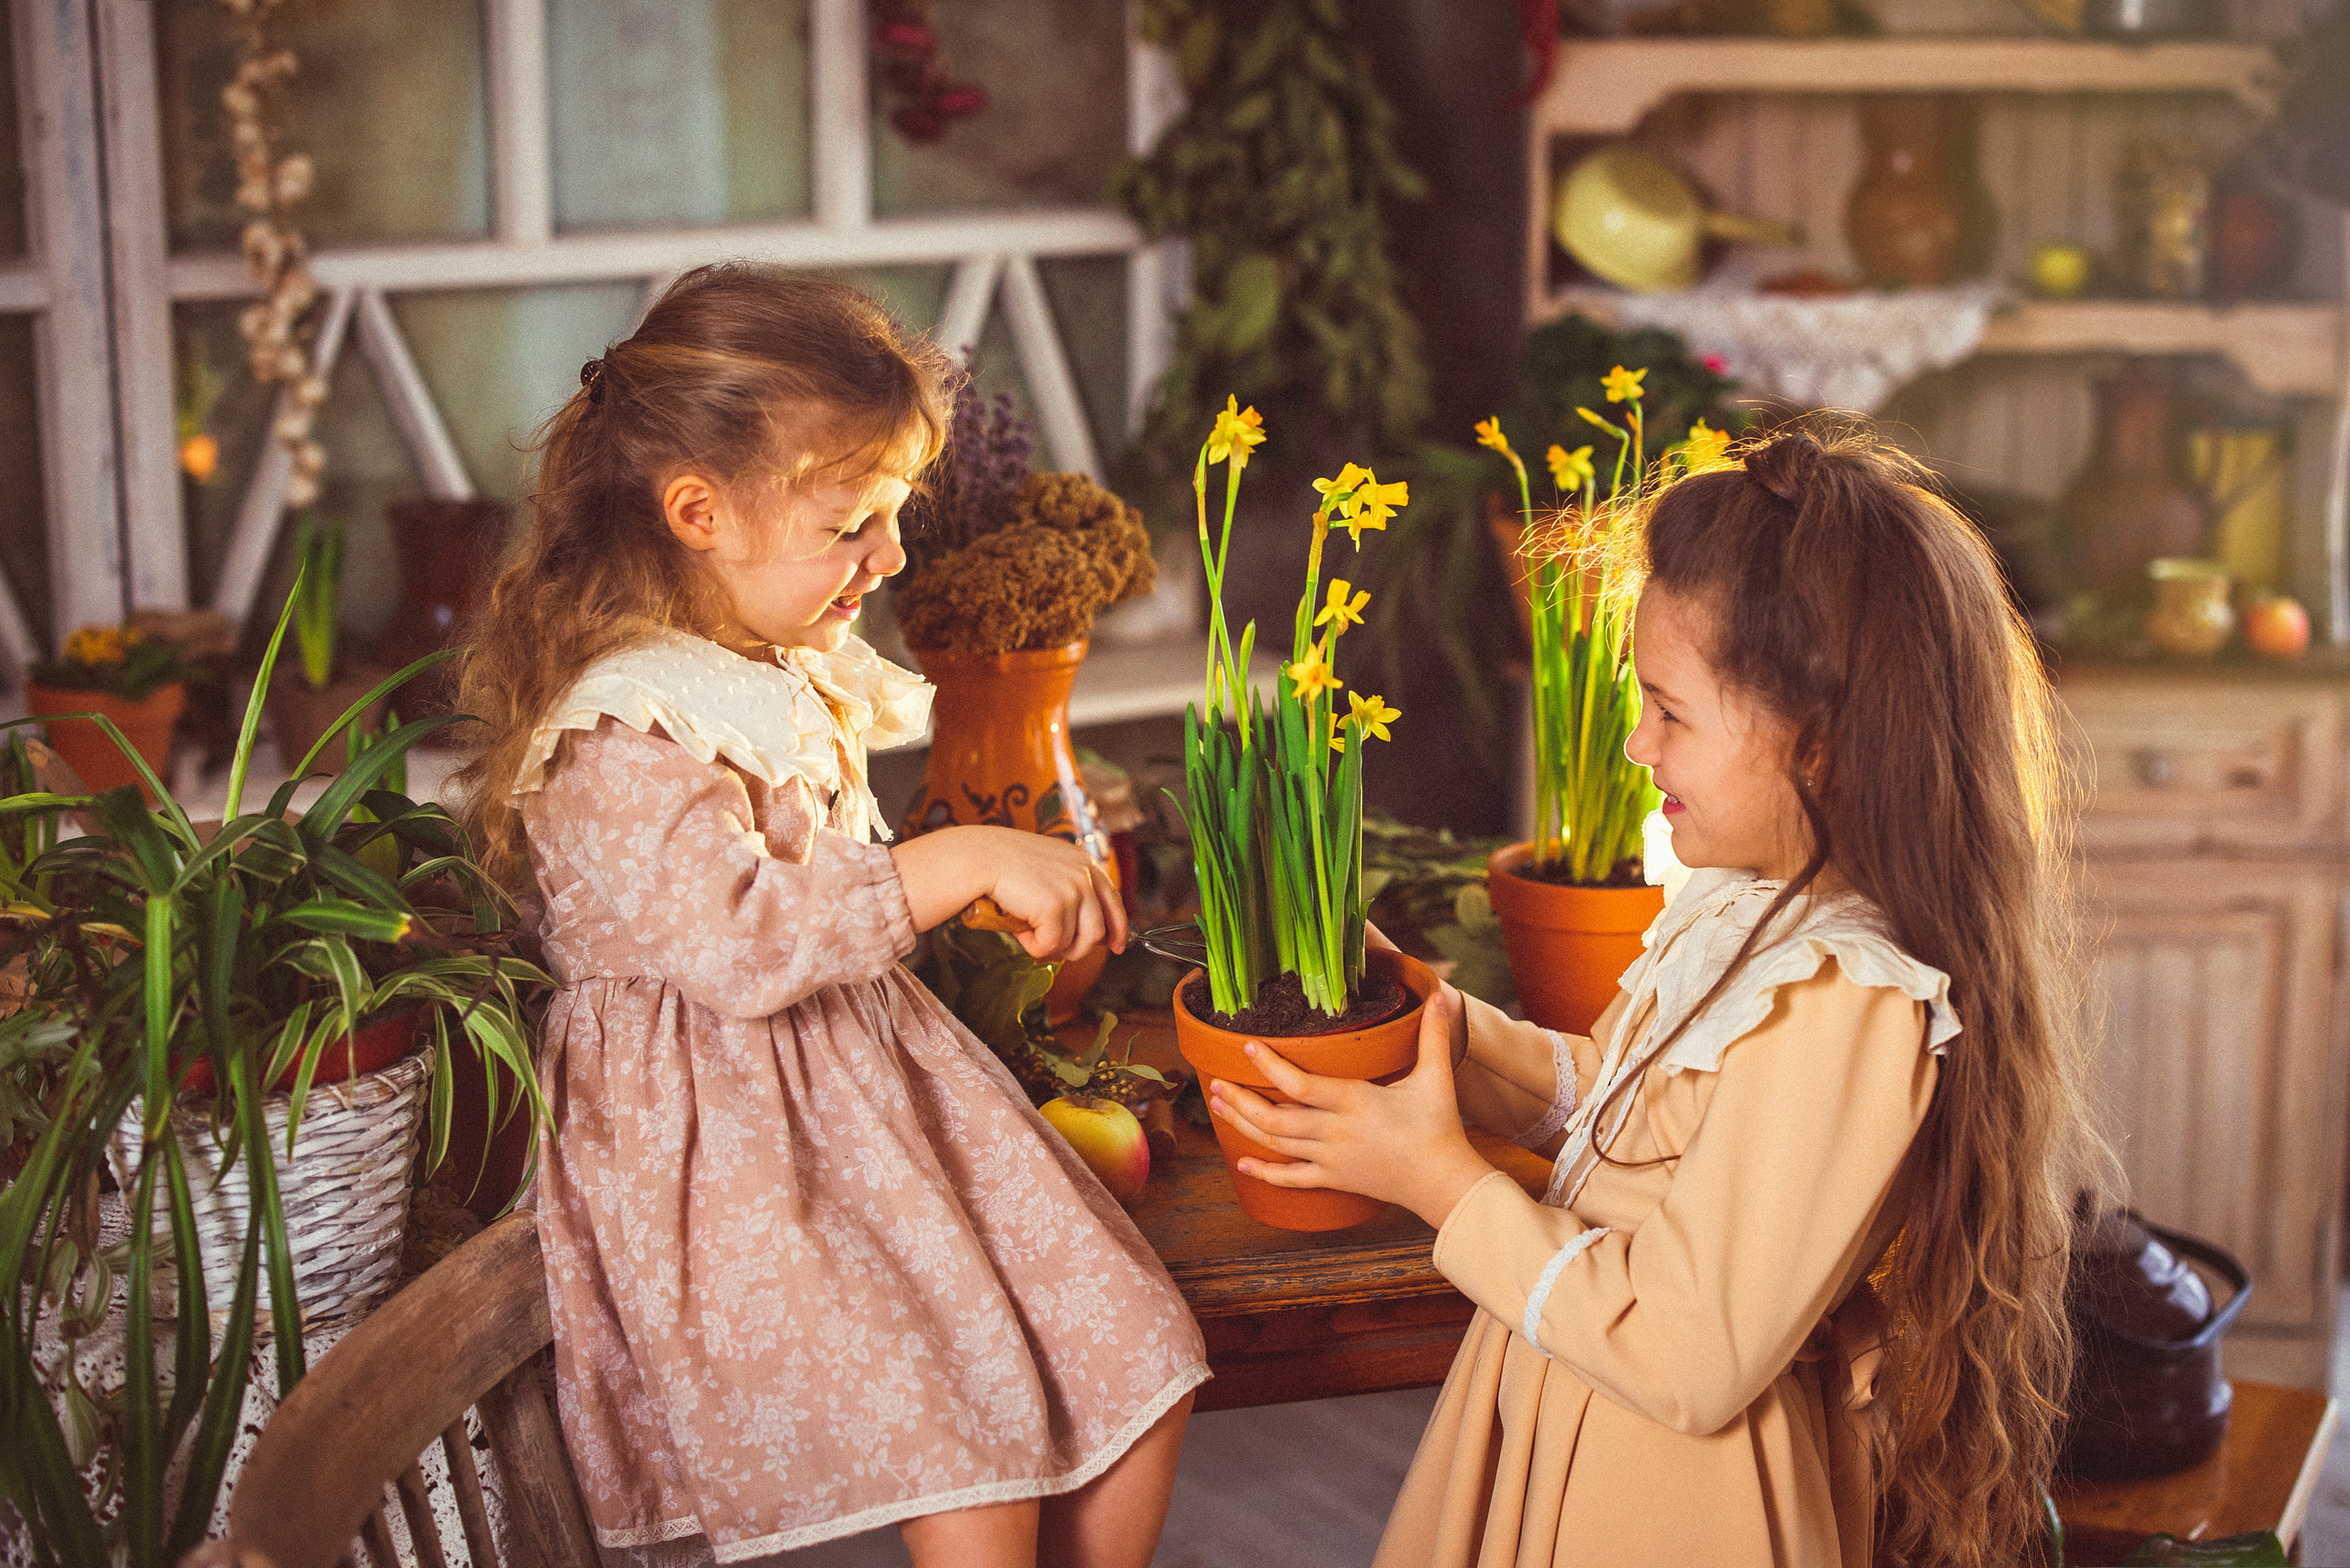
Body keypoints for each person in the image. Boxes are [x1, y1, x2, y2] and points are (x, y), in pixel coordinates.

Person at [1207, 428, 2097, 1568]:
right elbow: (1634, 1106)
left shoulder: (1847, 998)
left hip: (1678, 1487)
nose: (1636, 743)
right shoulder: (1750, 901)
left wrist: (1436, 1178)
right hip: (1578, 1394)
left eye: (1671, 712)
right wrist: (1448, 1026)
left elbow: (1689, 1351)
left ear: (1819, 745)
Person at [451, 263, 1206, 1568]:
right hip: (737, 1152)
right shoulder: (619, 729)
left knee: (1137, 1353)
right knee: (969, 1440)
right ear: (698, 512)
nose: (891, 556)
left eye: (893, 513)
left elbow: (824, 902)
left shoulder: (761, 662)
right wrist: (964, 854)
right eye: (853, 522)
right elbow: (746, 936)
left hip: (861, 1096)